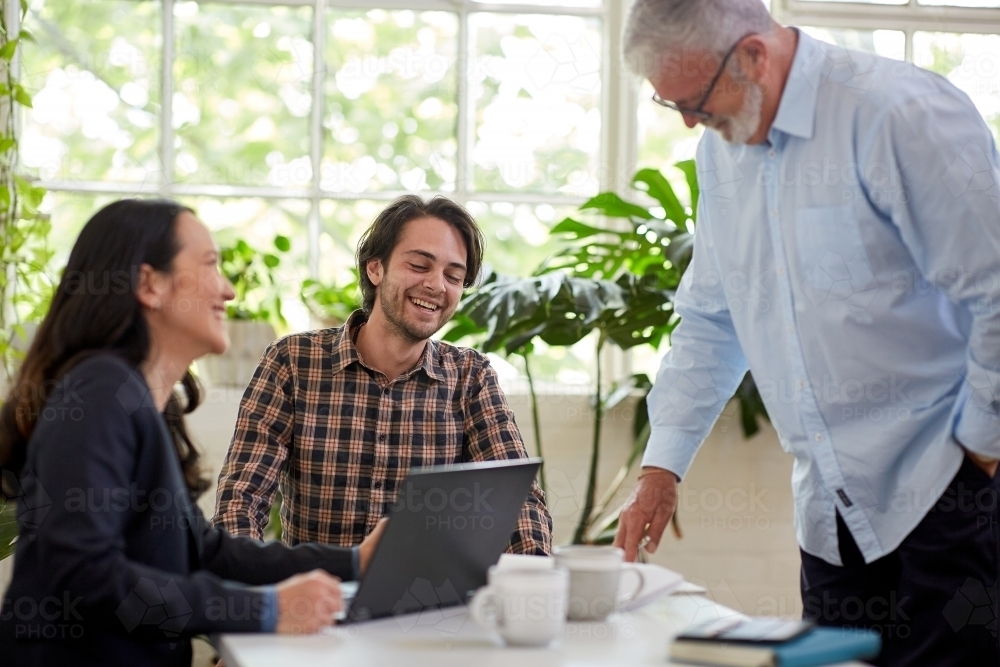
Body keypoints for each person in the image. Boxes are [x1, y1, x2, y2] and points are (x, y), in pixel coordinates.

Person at [614, 1, 1000, 664]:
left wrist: (980, 453)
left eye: (697, 99)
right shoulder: (721, 150)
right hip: (831, 514)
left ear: (755, 56)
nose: (688, 122)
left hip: (946, 492)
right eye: (667, 103)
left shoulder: (898, 115)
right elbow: (712, 317)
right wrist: (661, 465)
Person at [0, 199, 386, 667]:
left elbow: (204, 549)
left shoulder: (136, 398)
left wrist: (355, 562)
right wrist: (266, 609)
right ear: (149, 284)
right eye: (209, 265)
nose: (228, 291)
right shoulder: (101, 392)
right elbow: (85, 576)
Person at [213, 194, 552, 555]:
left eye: (454, 276)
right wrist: (252, 593)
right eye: (420, 266)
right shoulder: (293, 362)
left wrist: (532, 583)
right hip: (320, 599)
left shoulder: (471, 378)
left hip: (428, 602)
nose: (438, 286)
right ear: (375, 269)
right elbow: (240, 501)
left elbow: (518, 504)